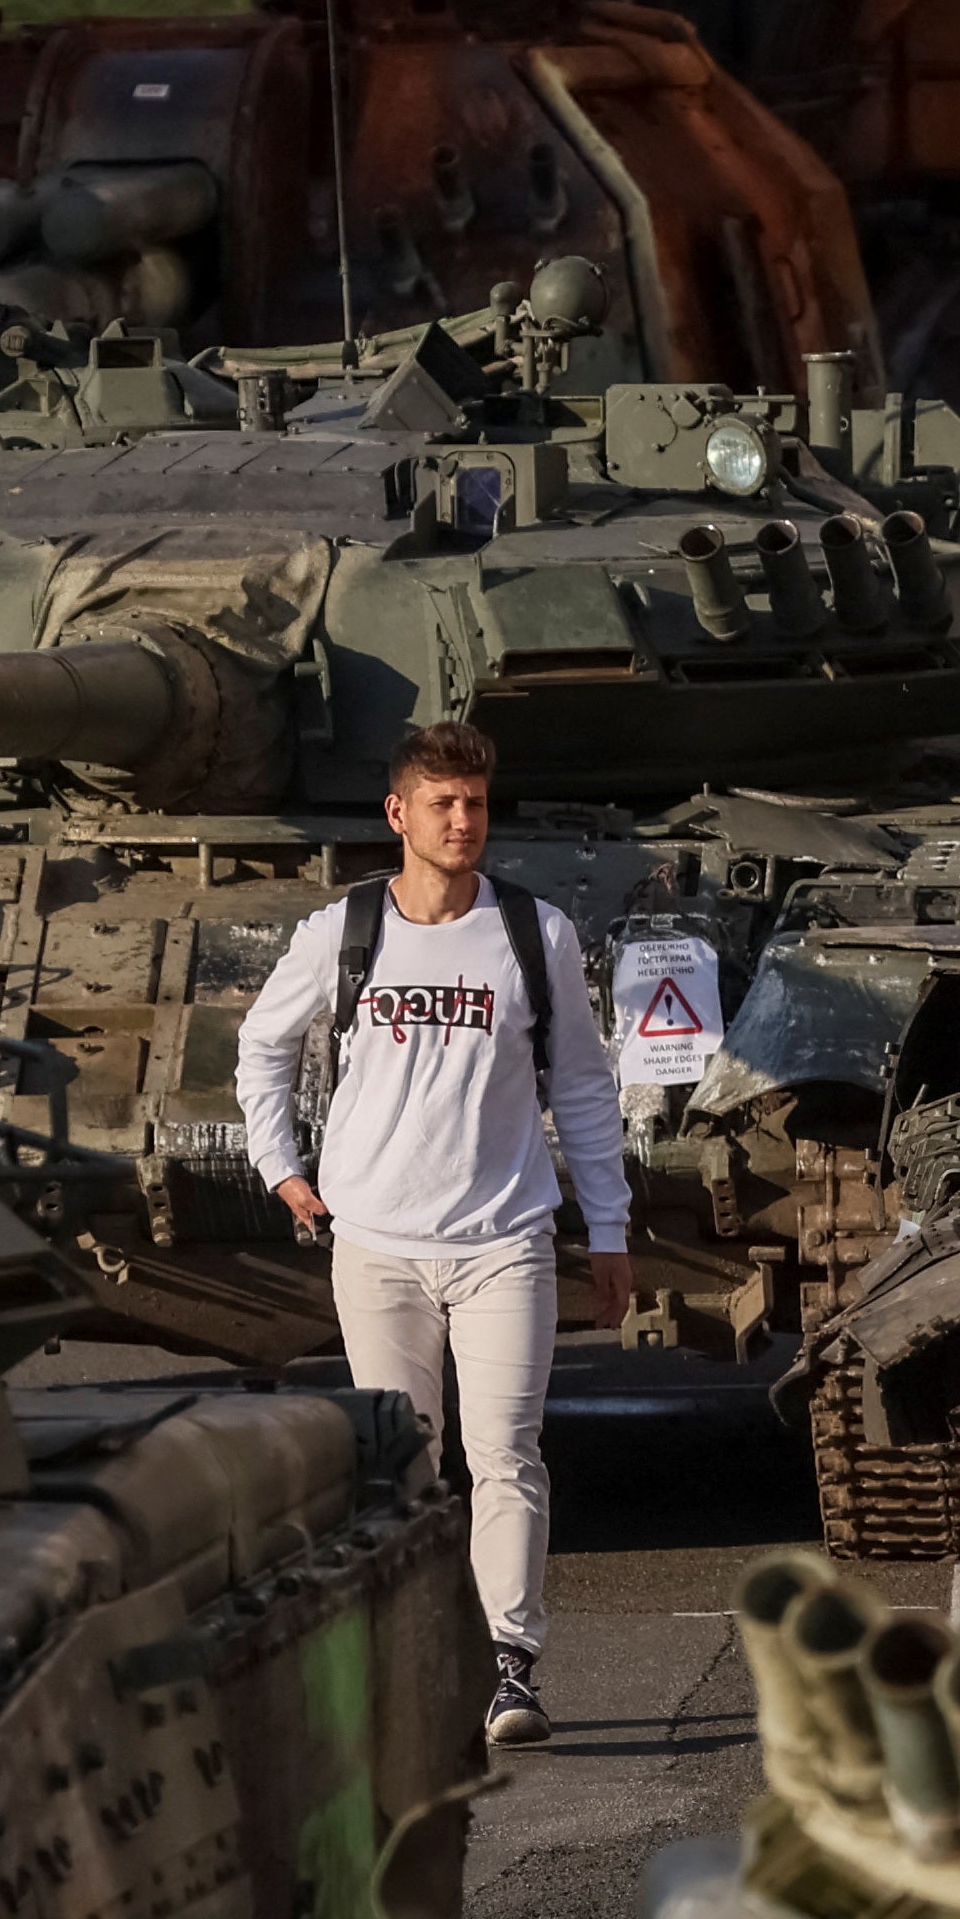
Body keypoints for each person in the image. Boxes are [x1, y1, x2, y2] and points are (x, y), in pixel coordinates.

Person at [238, 720, 630, 1748]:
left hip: (505, 1235)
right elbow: (264, 1048)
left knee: (504, 1452)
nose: (464, 821)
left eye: (477, 804)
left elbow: (584, 1085)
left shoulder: (531, 934)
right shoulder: (344, 931)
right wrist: (282, 1168)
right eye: (443, 804)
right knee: (403, 1465)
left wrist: (613, 1223)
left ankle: (509, 1666)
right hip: (376, 1242)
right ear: (398, 814)